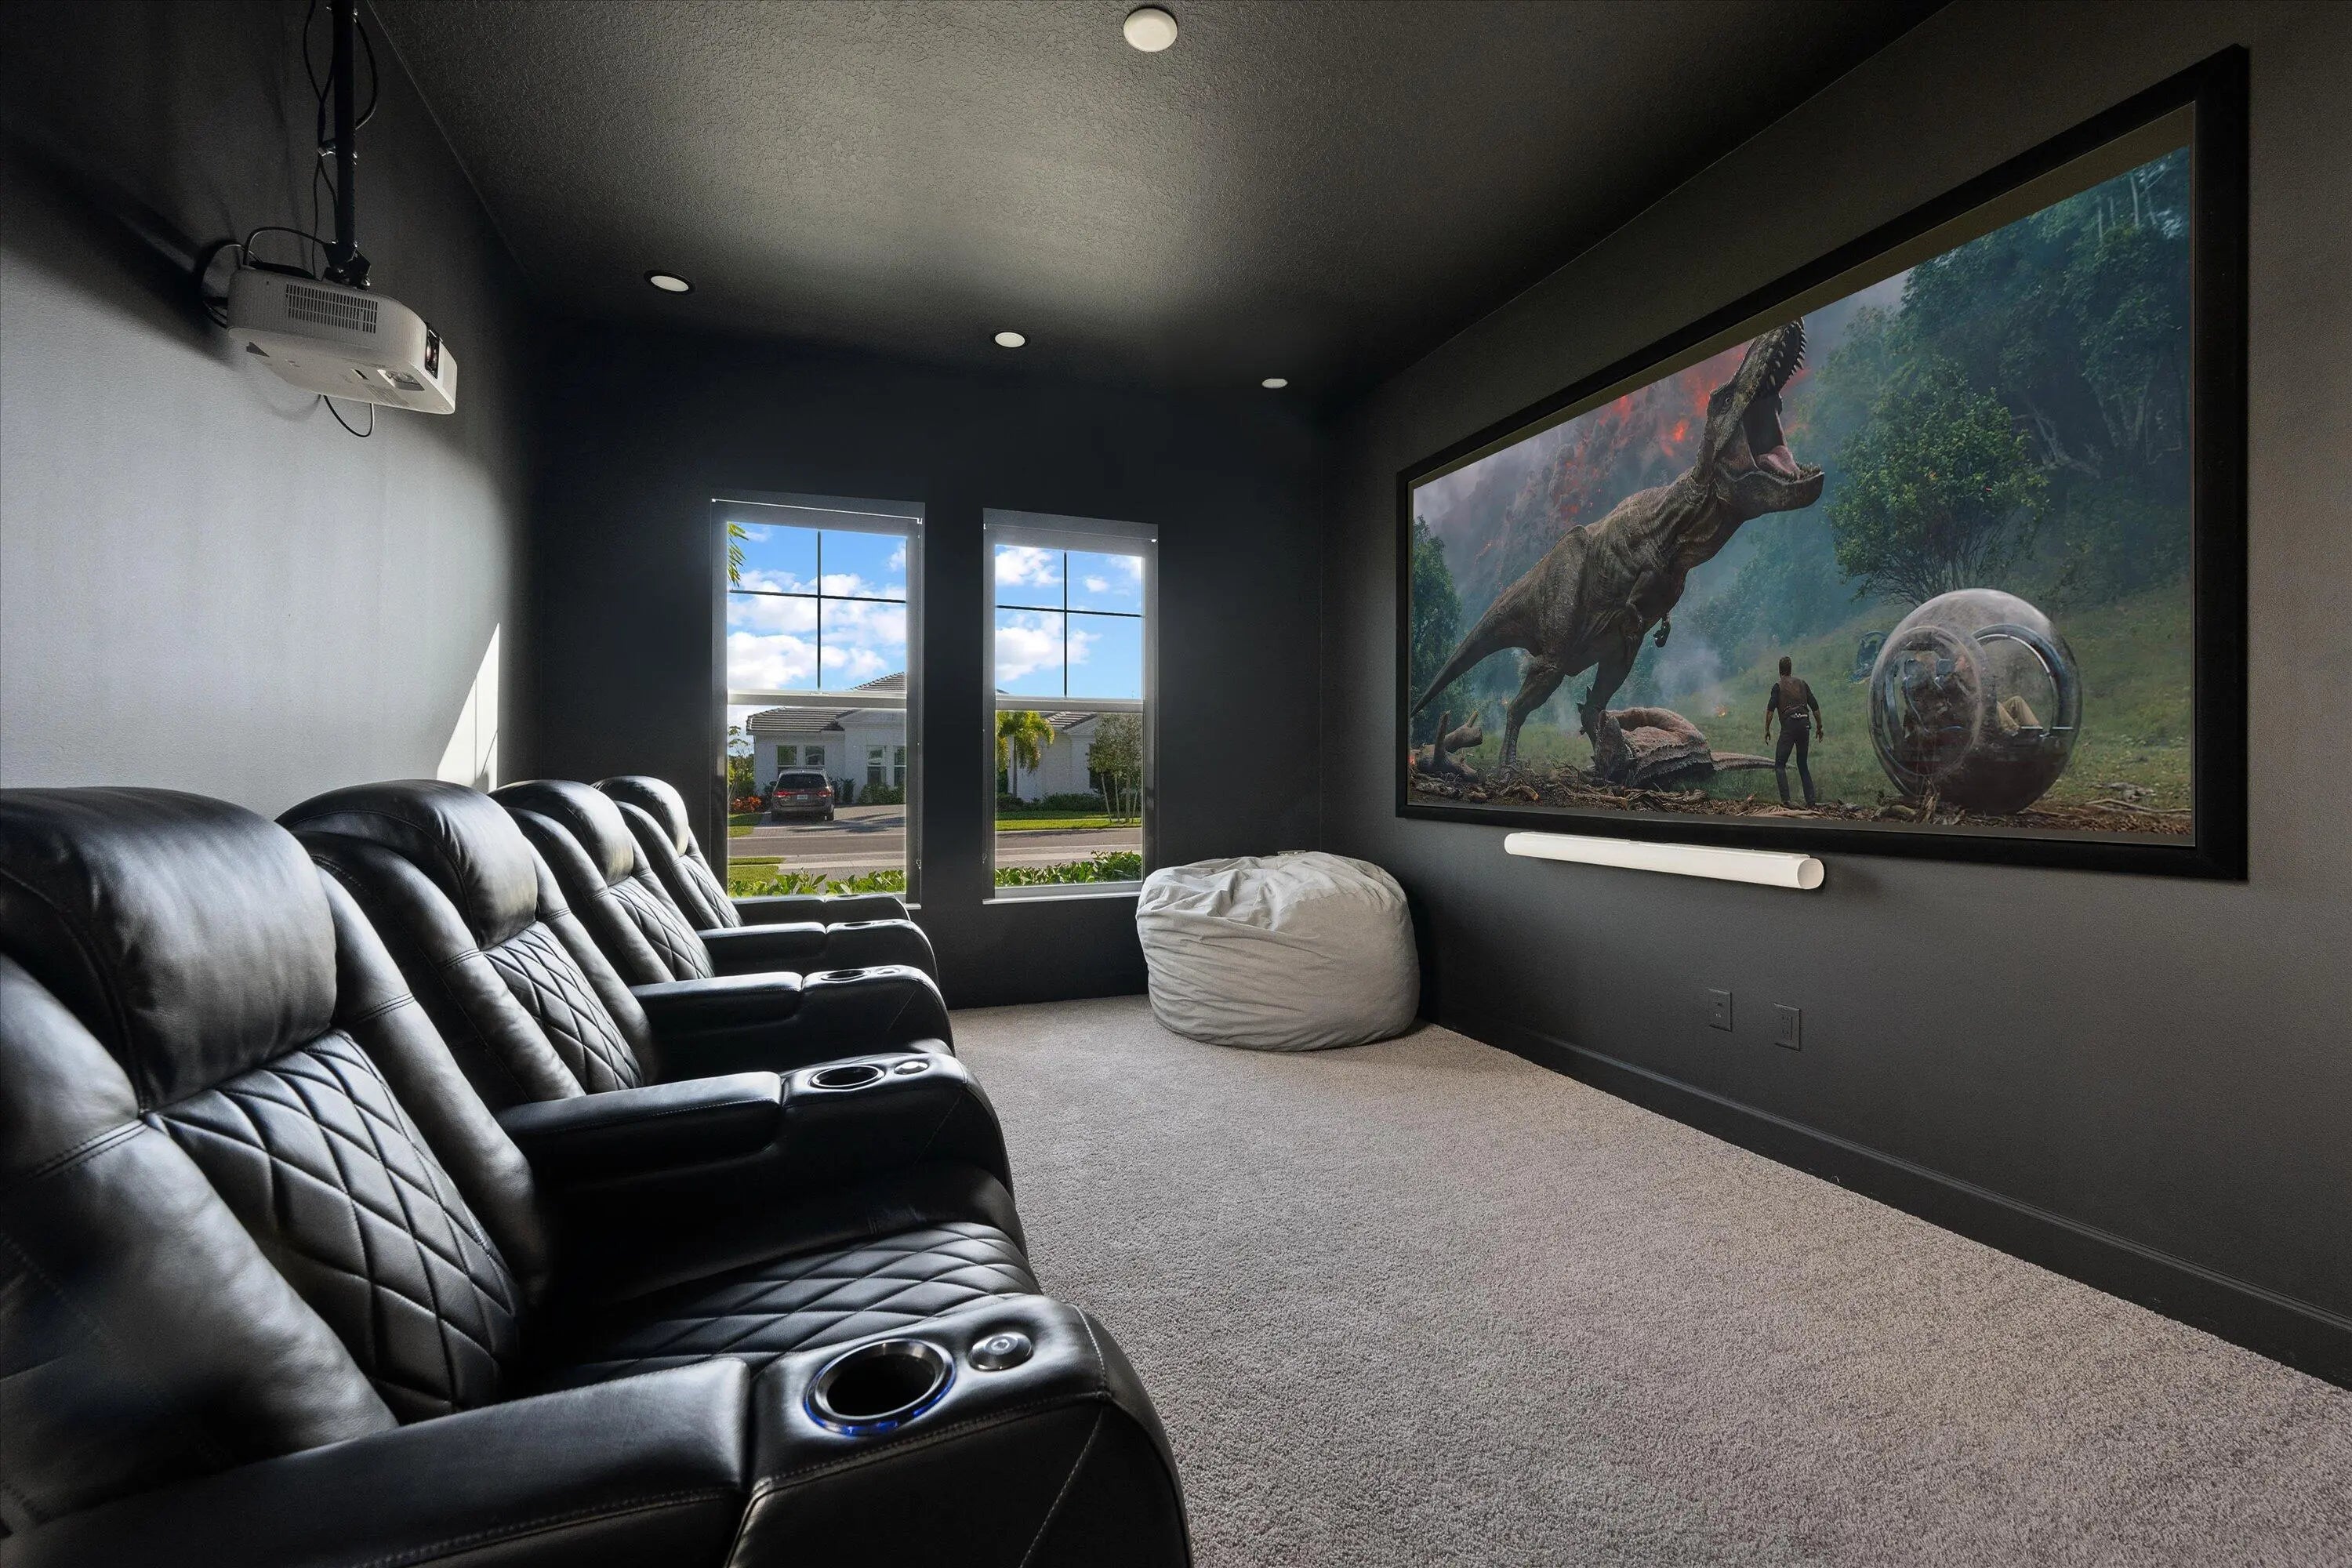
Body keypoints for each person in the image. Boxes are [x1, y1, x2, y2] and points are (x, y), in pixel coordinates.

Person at [1763, 655, 1825, 808]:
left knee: (1780, 764)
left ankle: (1786, 801)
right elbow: (1815, 706)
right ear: (1790, 669)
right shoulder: (1802, 684)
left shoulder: (1778, 686)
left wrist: (1767, 729)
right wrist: (1819, 727)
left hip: (1790, 725)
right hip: (1804, 723)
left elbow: (1770, 710)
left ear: (1780, 671)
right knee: (1802, 763)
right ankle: (1811, 801)